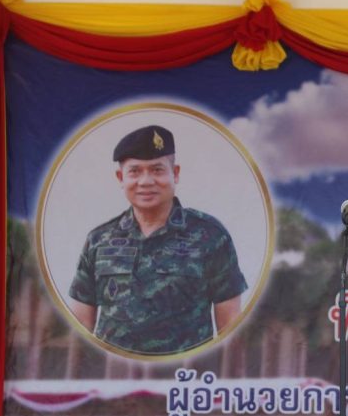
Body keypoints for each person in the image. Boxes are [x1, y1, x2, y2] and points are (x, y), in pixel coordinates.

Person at [68, 125, 247, 355]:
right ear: (121, 178)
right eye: (135, 172)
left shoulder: (210, 236)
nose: (146, 181)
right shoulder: (99, 239)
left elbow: (230, 325)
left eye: (157, 170)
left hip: (184, 372)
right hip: (114, 372)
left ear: (176, 173)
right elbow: (81, 324)